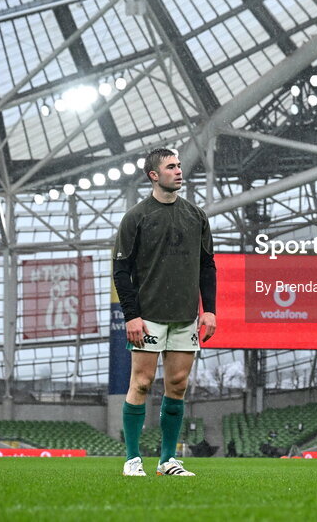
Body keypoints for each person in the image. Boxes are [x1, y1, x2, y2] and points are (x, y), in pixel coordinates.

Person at [113, 148, 217, 477]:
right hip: (149, 316)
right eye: (171, 167)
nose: (178, 171)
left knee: (177, 384)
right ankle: (132, 459)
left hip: (185, 316)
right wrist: (132, 315)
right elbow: (121, 271)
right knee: (141, 383)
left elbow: (207, 266)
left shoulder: (196, 216)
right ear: (154, 176)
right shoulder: (136, 217)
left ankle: (167, 461)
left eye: (179, 166)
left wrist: (209, 310)